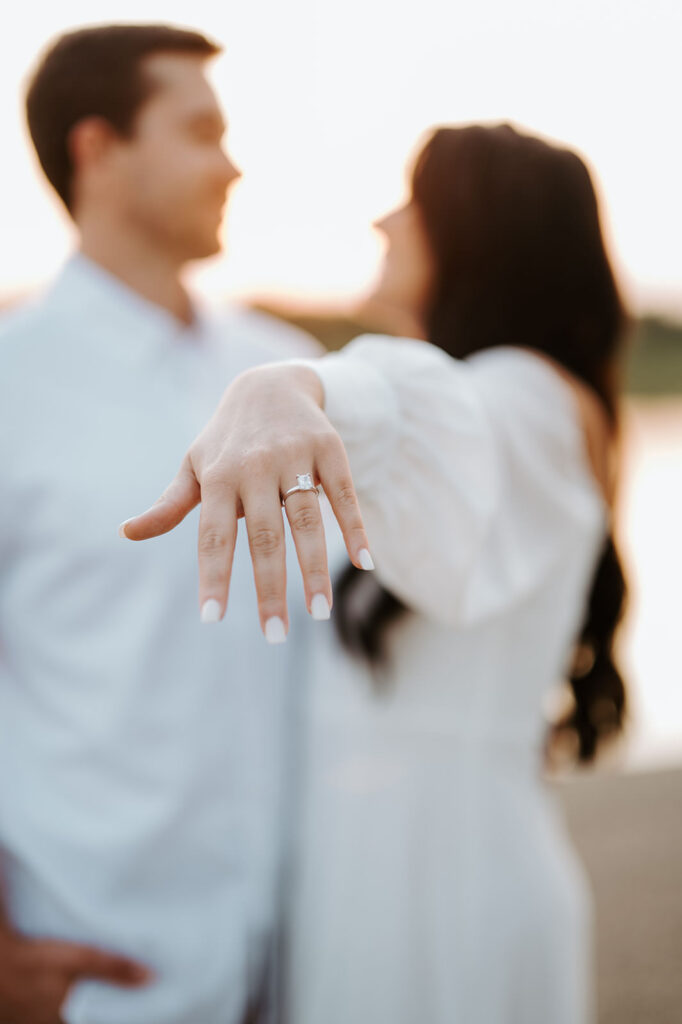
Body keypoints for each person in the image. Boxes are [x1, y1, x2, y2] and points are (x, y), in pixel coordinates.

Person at [124, 124, 628, 1024]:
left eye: (413, 202)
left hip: (444, 887)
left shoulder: (536, 399)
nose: (384, 222)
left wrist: (295, 388)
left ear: (483, 234)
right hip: (369, 871)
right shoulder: (505, 403)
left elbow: (435, 414)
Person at [0, 23, 326, 1024]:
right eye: (199, 132)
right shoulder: (11, 385)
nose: (231, 164)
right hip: (102, 975)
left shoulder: (288, 365)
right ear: (97, 148)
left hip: (310, 963)